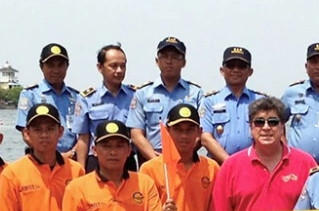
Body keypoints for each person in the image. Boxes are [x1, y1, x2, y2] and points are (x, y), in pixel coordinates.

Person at [127, 37, 204, 164]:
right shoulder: (142, 93)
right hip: (151, 159)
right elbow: (136, 134)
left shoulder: (196, 93)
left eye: (174, 57)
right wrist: (157, 160)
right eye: (164, 56)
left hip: (186, 161)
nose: (169, 61)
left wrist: (183, 155)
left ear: (184, 62)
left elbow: (202, 131)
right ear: (157, 61)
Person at [73, 44, 137, 172]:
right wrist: (81, 170)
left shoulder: (136, 96)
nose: (119, 70)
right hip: (96, 159)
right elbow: (83, 138)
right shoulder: (87, 98)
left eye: (123, 66)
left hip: (126, 158)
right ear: (100, 67)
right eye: (113, 66)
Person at [16, 43, 81, 155]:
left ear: (67, 66)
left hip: (72, 159)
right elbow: (26, 135)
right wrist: (53, 156)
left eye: (60, 65)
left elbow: (83, 133)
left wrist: (72, 152)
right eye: (51, 65)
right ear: (41, 66)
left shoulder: (77, 97)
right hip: (41, 159)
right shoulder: (30, 94)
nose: (56, 70)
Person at [199, 47, 259, 162]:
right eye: (231, 65)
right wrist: (230, 163)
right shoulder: (210, 101)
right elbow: (205, 138)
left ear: (250, 71)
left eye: (241, 66)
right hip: (219, 166)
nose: (236, 70)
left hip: (253, 165)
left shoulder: (260, 101)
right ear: (222, 70)